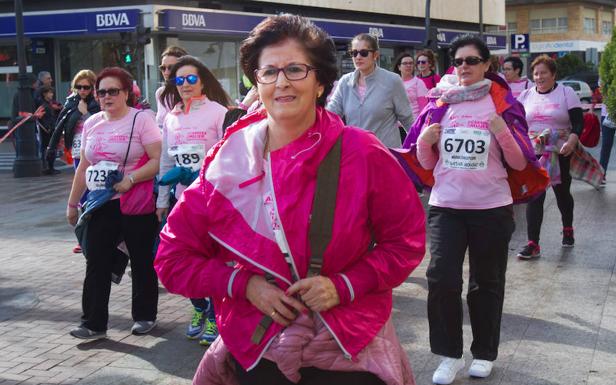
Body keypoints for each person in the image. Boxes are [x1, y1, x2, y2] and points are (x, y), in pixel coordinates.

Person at [155, 14, 426, 385]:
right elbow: (172, 259)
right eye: (268, 72)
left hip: (345, 345)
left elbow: (405, 243)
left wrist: (344, 285)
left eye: (296, 69)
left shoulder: (363, 154)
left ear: (320, 82)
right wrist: (242, 284)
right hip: (256, 345)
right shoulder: (225, 162)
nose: (281, 82)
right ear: (257, 81)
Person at [406, 35, 534, 384]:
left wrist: (502, 132)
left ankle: (484, 353)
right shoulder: (441, 102)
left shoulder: (501, 103)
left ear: (486, 65)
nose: (464, 67)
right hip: (446, 206)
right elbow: (427, 163)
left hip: (491, 208)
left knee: (486, 282)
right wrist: (424, 142)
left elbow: (519, 161)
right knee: (441, 279)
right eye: (459, 61)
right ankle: (449, 355)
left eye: (472, 61)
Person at [66, 67, 161, 340]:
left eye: (113, 91)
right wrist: (73, 205)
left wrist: (131, 179)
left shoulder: (141, 120)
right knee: (96, 261)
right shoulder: (93, 122)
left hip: (134, 201)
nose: (106, 96)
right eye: (102, 91)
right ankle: (93, 323)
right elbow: (84, 166)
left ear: (127, 93)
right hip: (100, 203)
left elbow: (157, 160)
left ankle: (144, 316)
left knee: (141, 260)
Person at [157, 55, 231, 346]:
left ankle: (215, 314)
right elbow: (165, 160)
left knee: (212, 258)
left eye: (191, 79)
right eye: (179, 80)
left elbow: (230, 155)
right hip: (180, 200)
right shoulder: (172, 117)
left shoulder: (217, 112)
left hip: (211, 199)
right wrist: (162, 198)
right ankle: (199, 308)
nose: (185, 85)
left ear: (202, 81)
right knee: (182, 258)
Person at [516, 55, 583, 259]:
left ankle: (568, 228)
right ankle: (533, 243)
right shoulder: (526, 95)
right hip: (533, 152)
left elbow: (578, 123)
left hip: (559, 151)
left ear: (553, 74)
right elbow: (516, 122)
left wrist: (572, 140)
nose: (539, 77)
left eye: (544, 72)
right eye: (536, 73)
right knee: (535, 195)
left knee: (562, 193)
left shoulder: (566, 92)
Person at [327, 33, 413, 148]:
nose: (358, 57)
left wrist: (417, 149)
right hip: (356, 154)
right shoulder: (345, 82)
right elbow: (330, 115)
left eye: (363, 53)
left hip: (386, 155)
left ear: (375, 55)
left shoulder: (392, 81)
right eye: (354, 53)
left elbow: (408, 119)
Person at [47, 70, 100, 253]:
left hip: (96, 152)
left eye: (86, 87)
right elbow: (61, 125)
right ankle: (83, 236)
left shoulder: (97, 103)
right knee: (81, 193)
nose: (83, 91)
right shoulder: (71, 102)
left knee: (94, 192)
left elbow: (101, 124)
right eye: (79, 87)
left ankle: (95, 234)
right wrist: (52, 148)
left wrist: (85, 114)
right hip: (78, 151)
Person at [156, 46, 189, 132]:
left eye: (171, 68)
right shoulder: (160, 93)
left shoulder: (190, 91)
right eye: (163, 68)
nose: (166, 72)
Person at [392, 52, 428, 122]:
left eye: (411, 63)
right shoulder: (393, 83)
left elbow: (423, 108)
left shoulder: (418, 83)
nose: (408, 65)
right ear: (399, 67)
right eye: (405, 63)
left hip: (412, 125)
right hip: (395, 126)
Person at [36, 86, 60, 174]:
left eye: (52, 93)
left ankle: (50, 167)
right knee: (47, 148)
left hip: (51, 128)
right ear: (44, 94)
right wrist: (48, 127)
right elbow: (41, 118)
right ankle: (48, 168)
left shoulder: (49, 104)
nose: (52, 94)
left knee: (51, 148)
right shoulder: (43, 105)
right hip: (47, 130)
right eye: (50, 93)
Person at [599, 101, 616, 185]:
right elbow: (599, 93)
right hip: (607, 115)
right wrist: (592, 108)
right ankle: (601, 174)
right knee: (606, 144)